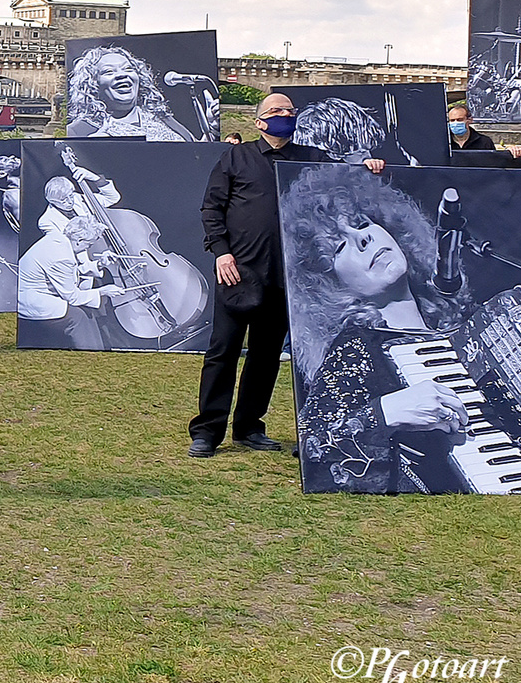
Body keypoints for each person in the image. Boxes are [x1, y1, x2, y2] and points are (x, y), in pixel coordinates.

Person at [193, 92, 381, 459]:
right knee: (223, 352)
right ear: (259, 121)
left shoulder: (310, 159)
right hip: (239, 271)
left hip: (288, 278)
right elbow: (211, 207)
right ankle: (207, 431)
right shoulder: (236, 157)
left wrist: (369, 166)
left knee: (265, 356)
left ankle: (248, 427)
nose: (285, 115)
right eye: (276, 111)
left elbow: (348, 177)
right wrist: (222, 252)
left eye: (290, 111)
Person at [280, 168, 481, 493]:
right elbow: (311, 446)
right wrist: (387, 412)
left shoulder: (461, 320)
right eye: (338, 247)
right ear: (330, 285)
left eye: (362, 223)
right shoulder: (355, 348)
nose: (363, 238)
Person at [17, 216, 132, 351]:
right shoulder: (62, 256)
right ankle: (91, 356)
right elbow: (72, 297)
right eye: (89, 245)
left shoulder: (59, 239)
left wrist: (100, 264)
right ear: (79, 240)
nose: (87, 249)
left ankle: (99, 349)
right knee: (78, 318)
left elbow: (70, 274)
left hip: (43, 293)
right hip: (34, 301)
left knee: (88, 311)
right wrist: (103, 291)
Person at [65, 46, 196, 141]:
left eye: (128, 69)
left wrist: (212, 129)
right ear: (92, 85)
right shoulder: (78, 131)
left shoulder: (160, 117)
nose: (122, 75)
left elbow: (197, 154)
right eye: (109, 72)